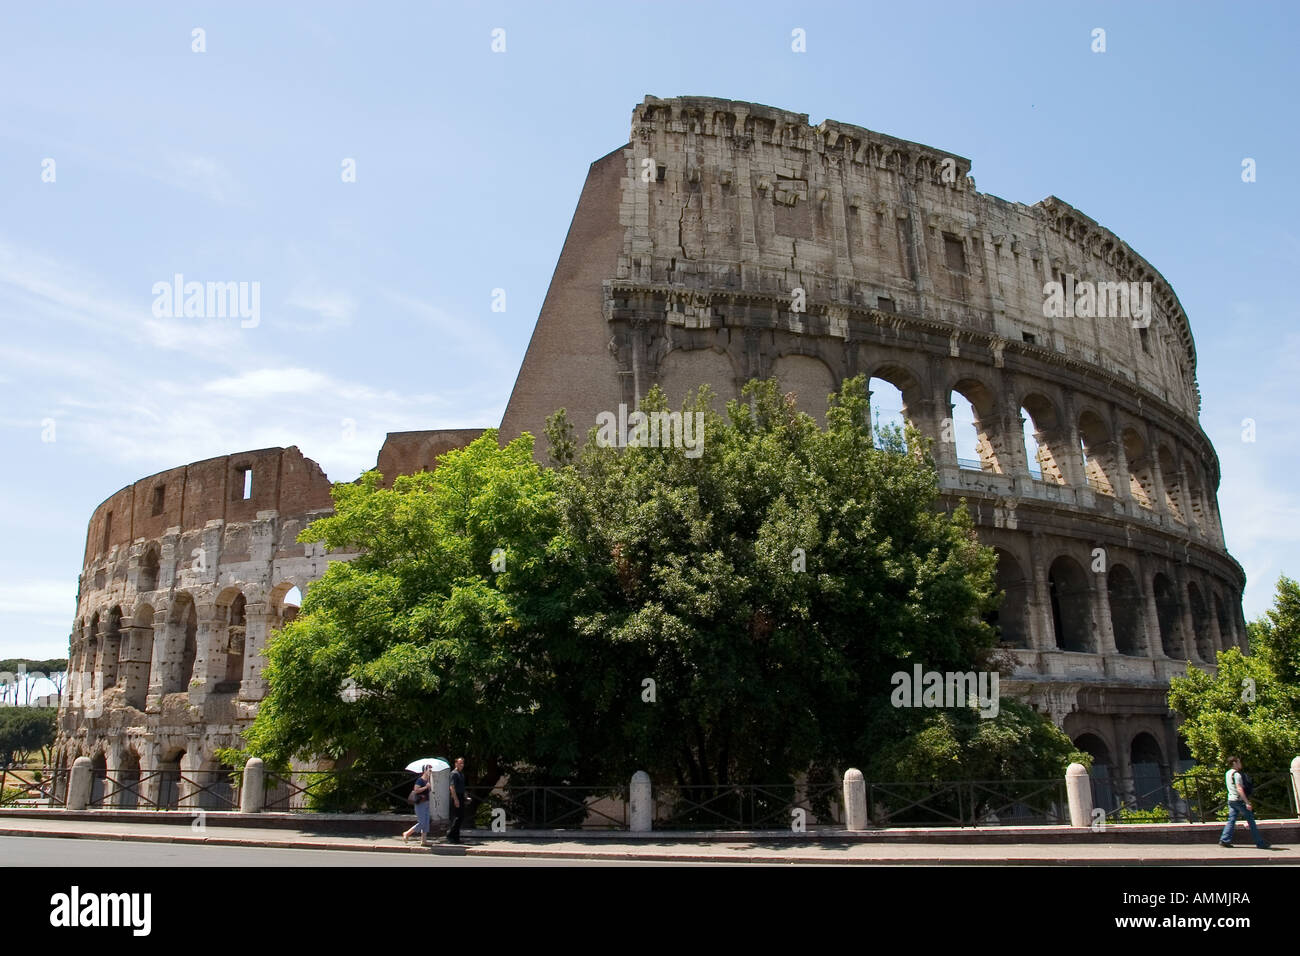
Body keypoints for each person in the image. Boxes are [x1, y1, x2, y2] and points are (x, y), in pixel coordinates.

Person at [1219, 756, 1271, 849]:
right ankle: (1260, 843)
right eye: (1239, 762)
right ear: (1234, 763)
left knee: (1231, 819)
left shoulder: (1227, 773)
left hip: (1231, 799)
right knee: (1251, 820)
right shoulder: (1237, 775)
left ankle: (1224, 840)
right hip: (1238, 801)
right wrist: (1247, 802)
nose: (1240, 764)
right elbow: (1239, 788)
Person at [402, 765, 433, 845]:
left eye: (431, 770)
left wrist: (429, 787)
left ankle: (424, 841)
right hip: (420, 804)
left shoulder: (427, 781)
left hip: (426, 803)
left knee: (426, 822)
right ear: (425, 771)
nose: (430, 772)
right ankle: (407, 833)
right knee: (422, 822)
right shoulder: (420, 780)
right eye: (429, 770)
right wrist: (426, 787)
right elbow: (416, 790)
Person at [446, 757, 467, 843]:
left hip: (461, 796)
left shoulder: (461, 774)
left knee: (461, 817)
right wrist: (456, 799)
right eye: (460, 763)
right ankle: (450, 835)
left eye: (462, 763)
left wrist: (465, 797)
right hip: (456, 796)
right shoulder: (454, 774)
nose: (462, 765)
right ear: (456, 764)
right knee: (456, 817)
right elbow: (452, 787)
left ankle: (456, 838)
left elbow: (461, 787)